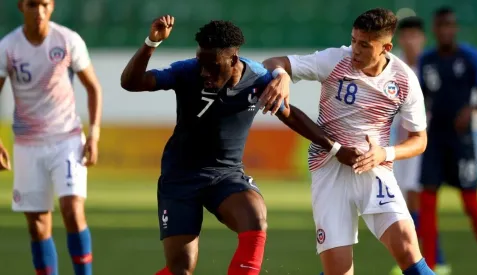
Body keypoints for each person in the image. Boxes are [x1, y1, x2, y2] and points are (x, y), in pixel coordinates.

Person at [120, 16, 342, 275]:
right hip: (180, 178)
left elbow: (289, 114)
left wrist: (334, 147)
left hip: (226, 176)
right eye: (201, 64)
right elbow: (131, 83)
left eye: (212, 66)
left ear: (234, 60)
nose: (204, 73)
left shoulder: (259, 79)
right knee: (181, 269)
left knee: (256, 218)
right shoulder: (187, 72)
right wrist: (151, 43)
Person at [262, 8, 435, 275]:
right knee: (339, 271)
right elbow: (274, 62)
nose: (355, 49)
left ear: (386, 47)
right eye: (354, 40)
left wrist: (384, 154)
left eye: (365, 45)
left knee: (408, 251)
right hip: (329, 168)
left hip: (375, 169)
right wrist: (282, 75)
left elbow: (419, 140)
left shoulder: (404, 80)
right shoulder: (334, 60)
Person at [0, 0, 102, 274]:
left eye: (44, 4)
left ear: (52, 6)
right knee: (37, 225)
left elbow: (93, 88)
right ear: (22, 6)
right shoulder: (8, 47)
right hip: (27, 145)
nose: (39, 11)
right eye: (33, 4)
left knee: (72, 209)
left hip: (66, 140)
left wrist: (93, 134)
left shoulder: (68, 40)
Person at [417, 6, 477, 274]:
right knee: (427, 204)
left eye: (450, 25)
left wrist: (470, 109)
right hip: (434, 139)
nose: (446, 30)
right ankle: (431, 266)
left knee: (471, 204)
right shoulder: (427, 61)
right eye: (441, 26)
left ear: (455, 28)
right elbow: (420, 97)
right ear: (435, 30)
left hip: (462, 141)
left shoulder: (470, 58)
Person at [390, 16, 451, 275]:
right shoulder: (393, 66)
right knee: (404, 199)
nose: (410, 40)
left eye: (415, 35)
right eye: (406, 36)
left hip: (420, 142)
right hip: (397, 140)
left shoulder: (429, 66)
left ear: (422, 38)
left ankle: (434, 258)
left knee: (417, 198)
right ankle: (419, 257)